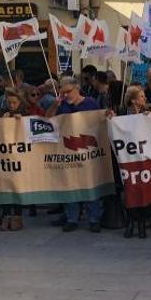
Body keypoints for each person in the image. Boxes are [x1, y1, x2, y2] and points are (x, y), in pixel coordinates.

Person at [47, 76, 102, 232]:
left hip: (87, 152)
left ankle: (94, 219)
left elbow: (100, 121)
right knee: (70, 183)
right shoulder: (62, 104)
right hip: (68, 151)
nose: (64, 95)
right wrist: (54, 106)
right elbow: (48, 118)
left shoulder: (90, 103)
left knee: (90, 184)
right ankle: (72, 218)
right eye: (62, 93)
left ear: (76, 88)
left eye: (67, 92)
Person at [117, 85, 151, 239]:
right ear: (133, 100)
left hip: (142, 158)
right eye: (142, 96)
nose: (145, 99)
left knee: (142, 190)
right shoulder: (121, 114)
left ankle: (141, 224)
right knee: (129, 191)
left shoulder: (147, 115)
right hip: (127, 158)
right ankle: (131, 222)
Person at [0, 89, 27, 231]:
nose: (11, 105)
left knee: (17, 186)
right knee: (5, 186)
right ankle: (6, 215)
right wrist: (2, 121)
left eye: (14, 102)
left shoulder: (25, 114)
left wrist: (23, 122)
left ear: (19, 103)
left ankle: (18, 216)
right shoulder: (0, 113)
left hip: (19, 155)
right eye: (9, 102)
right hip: (4, 155)